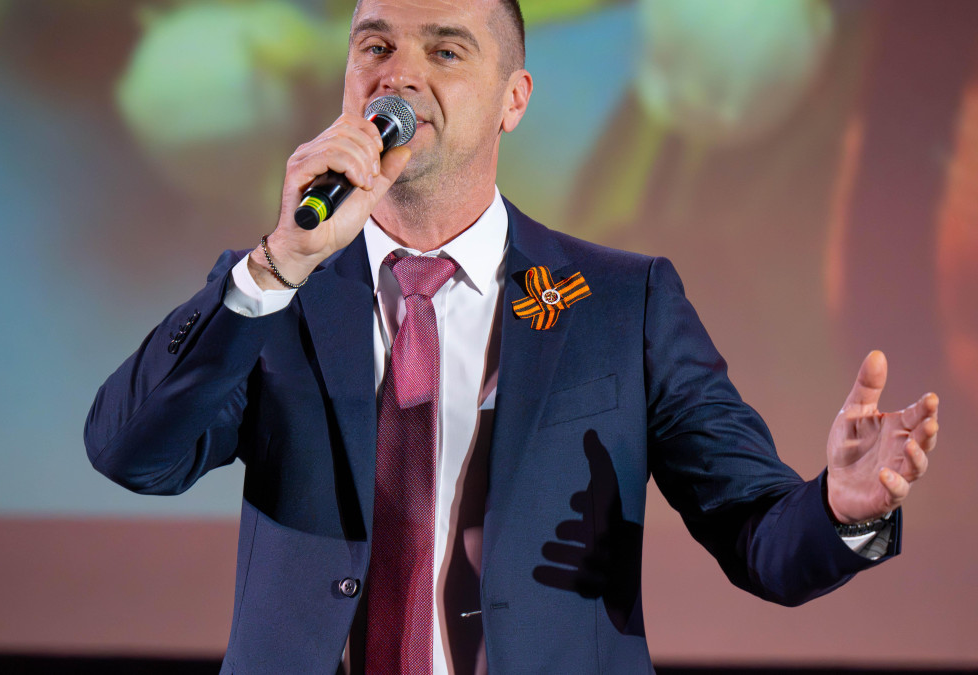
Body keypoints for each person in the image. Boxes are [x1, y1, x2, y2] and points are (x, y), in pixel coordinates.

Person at [84, 1, 941, 672]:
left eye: (446, 52)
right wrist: (276, 265)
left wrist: (839, 509)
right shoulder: (274, 293)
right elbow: (132, 453)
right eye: (375, 46)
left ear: (514, 99)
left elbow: (759, 537)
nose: (398, 76)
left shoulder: (625, 303)